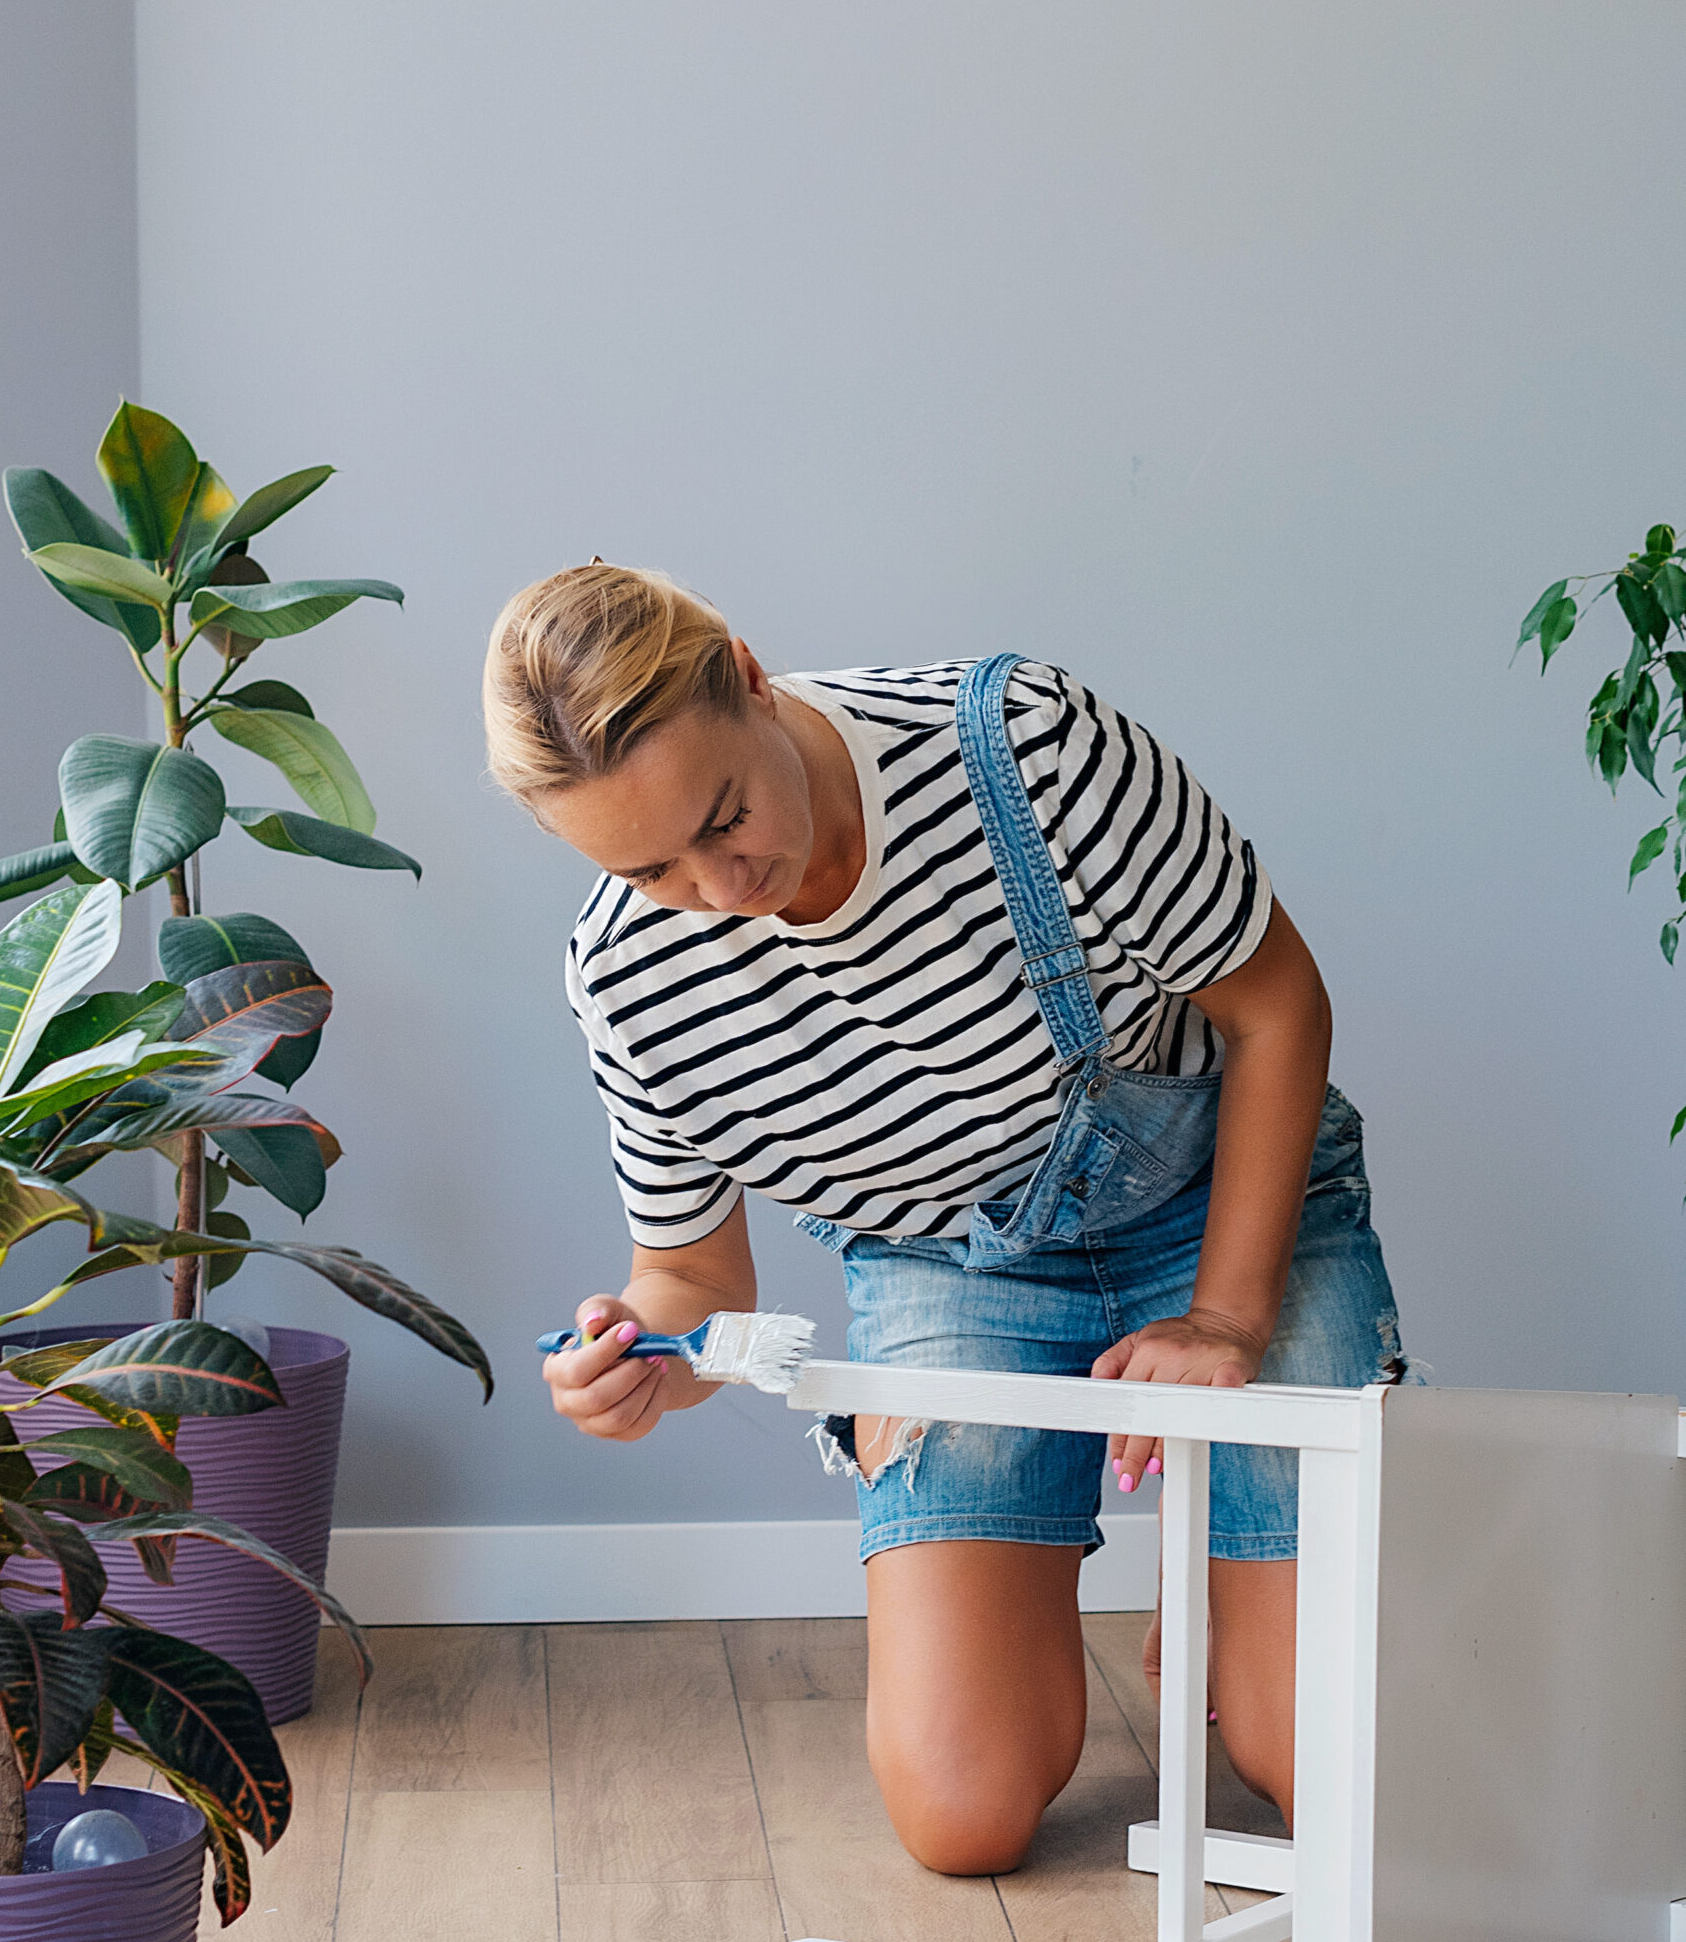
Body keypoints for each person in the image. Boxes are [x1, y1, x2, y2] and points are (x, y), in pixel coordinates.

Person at [487, 564, 1402, 1875]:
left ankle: (1238, 1572)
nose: (719, 885)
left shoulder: (1025, 748)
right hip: (954, 1270)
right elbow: (690, 1274)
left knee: (1328, 1774)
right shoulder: (629, 978)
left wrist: (1223, 1317)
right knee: (959, 1815)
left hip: (1225, 1209)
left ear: (748, 675)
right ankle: (1241, 1561)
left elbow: (1275, 1008)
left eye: (723, 814)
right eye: (650, 868)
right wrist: (641, 1354)